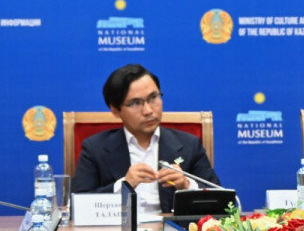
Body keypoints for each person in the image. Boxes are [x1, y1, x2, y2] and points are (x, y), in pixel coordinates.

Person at [73, 63, 220, 217]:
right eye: (136, 103)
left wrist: (187, 185)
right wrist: (124, 186)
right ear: (115, 110)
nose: (148, 110)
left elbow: (220, 201)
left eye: (153, 97)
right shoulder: (95, 148)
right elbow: (78, 207)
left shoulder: (189, 144)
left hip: (172, 230)